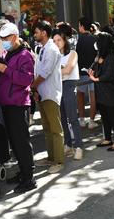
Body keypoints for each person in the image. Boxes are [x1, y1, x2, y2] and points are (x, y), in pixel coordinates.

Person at [0, 23, 36, 193]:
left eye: (6, 38)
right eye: (2, 38)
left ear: (15, 36)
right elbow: (2, 76)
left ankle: (29, 177)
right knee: (14, 141)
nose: (3, 41)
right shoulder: (7, 52)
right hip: (6, 102)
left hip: (18, 103)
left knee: (22, 142)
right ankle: (23, 172)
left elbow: (26, 80)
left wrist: (5, 69)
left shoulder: (25, 55)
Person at [31, 21, 64, 174]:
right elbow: (39, 71)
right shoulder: (43, 48)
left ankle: (58, 161)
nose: (34, 34)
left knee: (55, 129)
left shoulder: (51, 49)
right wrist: (35, 89)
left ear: (44, 32)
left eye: (36, 32)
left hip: (50, 93)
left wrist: (32, 86)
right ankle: (51, 158)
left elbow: (45, 73)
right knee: (47, 129)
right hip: (42, 93)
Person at [88, 32, 114, 151]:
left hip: (110, 92)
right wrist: (92, 70)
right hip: (101, 92)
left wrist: (96, 79)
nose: (96, 44)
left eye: (98, 41)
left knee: (113, 117)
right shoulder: (99, 55)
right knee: (104, 117)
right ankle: (107, 138)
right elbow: (92, 67)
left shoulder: (111, 57)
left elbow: (110, 75)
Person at [52, 29, 83, 160]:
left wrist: (56, 71)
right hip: (57, 88)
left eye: (59, 40)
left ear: (64, 40)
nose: (56, 43)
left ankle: (79, 146)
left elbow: (68, 69)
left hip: (69, 86)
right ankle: (68, 145)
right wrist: (60, 70)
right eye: (54, 41)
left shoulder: (73, 53)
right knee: (62, 119)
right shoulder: (53, 56)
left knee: (72, 118)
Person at [75, 17, 97, 128]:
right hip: (93, 71)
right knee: (93, 96)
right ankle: (92, 121)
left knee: (80, 95)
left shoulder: (78, 40)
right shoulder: (95, 39)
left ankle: (82, 119)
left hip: (80, 72)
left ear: (82, 26)